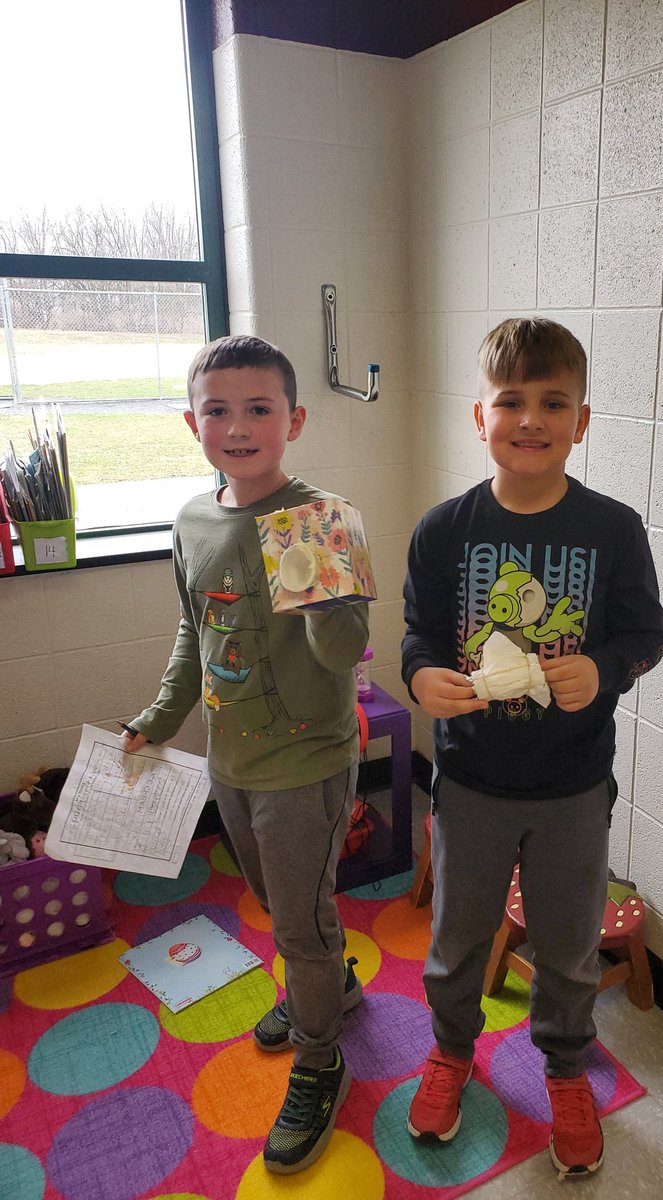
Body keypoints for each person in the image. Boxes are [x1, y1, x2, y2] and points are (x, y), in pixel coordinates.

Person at [401, 317, 663, 1180]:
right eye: (509, 400)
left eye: (553, 401)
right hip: (472, 778)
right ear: (479, 417)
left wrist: (606, 665)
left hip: (572, 786)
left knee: (567, 943)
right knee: (456, 936)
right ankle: (450, 1051)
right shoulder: (443, 531)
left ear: (581, 421)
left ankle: (564, 1065)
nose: (530, 418)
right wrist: (421, 679)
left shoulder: (614, 529)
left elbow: (647, 635)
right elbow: (418, 636)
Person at [122, 335, 369, 1175]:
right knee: (282, 906)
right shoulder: (192, 521)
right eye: (217, 410)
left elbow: (345, 655)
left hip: (308, 765)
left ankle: (319, 1054)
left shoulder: (319, 518)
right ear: (193, 424)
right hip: (232, 764)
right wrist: (158, 718)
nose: (238, 425)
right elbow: (195, 632)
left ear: (292, 420)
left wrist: (315, 585)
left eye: (258, 408)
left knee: (297, 924)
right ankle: (332, 986)